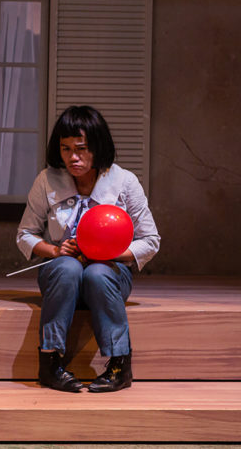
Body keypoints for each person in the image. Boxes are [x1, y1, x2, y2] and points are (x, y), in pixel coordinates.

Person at [16, 105, 160, 393]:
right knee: (69, 267)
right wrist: (55, 251)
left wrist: (110, 253)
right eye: (65, 148)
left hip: (108, 275)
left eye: (81, 149)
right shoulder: (47, 179)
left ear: (98, 147)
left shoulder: (124, 181)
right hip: (61, 275)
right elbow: (25, 235)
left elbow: (150, 240)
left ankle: (120, 365)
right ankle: (50, 364)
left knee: (96, 273)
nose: (72, 157)